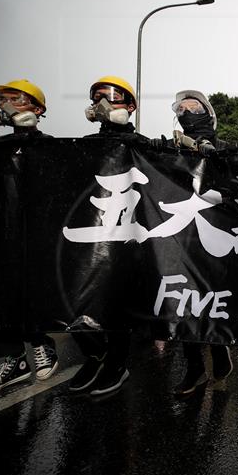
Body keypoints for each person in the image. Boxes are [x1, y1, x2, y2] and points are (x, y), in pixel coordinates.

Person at [0, 80, 60, 395]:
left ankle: (41, 344)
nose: (7, 105)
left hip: (37, 237)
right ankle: (15, 361)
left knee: (31, 290)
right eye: (3, 99)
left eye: (16, 99)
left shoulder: (50, 147)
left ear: (37, 109)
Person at [67, 76, 144, 396]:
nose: (103, 102)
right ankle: (94, 356)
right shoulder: (83, 147)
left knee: (117, 301)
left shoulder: (142, 147)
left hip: (126, 240)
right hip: (91, 238)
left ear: (130, 106)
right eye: (97, 96)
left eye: (111, 96)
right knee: (76, 297)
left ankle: (117, 363)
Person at [168, 90, 234, 395]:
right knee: (181, 303)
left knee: (211, 301)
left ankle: (220, 355)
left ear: (208, 113)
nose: (186, 111)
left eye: (192, 106)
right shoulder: (170, 150)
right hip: (180, 239)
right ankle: (194, 366)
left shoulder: (226, 149)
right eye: (181, 108)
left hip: (215, 238)